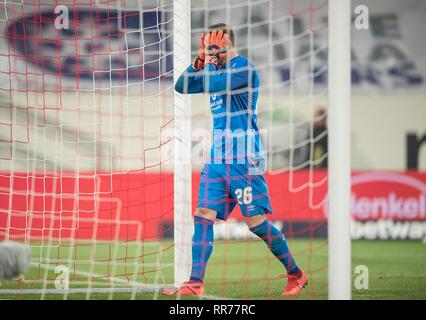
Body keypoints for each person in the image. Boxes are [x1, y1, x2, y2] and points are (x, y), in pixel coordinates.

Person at [163, 24, 307, 297]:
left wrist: (212, 61)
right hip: (218, 157)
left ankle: (296, 274)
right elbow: (181, 86)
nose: (212, 51)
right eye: (209, 46)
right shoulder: (213, 68)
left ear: (230, 43)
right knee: (203, 215)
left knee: (255, 222)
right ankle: (195, 283)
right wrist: (199, 61)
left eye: (216, 46)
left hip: (244, 157)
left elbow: (214, 84)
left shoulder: (244, 68)